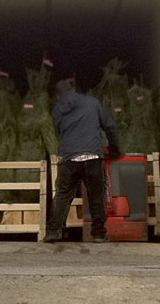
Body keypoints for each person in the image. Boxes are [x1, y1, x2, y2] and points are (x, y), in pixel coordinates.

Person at [44, 78, 122, 243]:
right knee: (95, 196)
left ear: (58, 96)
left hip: (69, 158)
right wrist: (115, 150)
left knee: (63, 195)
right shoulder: (92, 103)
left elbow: (59, 134)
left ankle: (54, 232)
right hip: (92, 156)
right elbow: (110, 126)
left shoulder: (58, 110)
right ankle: (99, 234)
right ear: (73, 89)